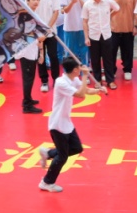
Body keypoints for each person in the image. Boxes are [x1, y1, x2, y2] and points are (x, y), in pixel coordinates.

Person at [37, 57, 101, 193]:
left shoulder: (73, 79)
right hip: (57, 124)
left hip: (67, 122)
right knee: (62, 156)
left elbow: (86, 90)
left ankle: (48, 153)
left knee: (77, 148)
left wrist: (98, 90)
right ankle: (46, 182)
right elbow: (80, 94)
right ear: (75, 70)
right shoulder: (61, 82)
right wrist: (85, 76)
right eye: (79, 68)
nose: (81, 69)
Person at [82, 0, 119, 89]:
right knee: (95, 60)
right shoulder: (87, 5)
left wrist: (109, 16)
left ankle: (110, 80)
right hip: (93, 35)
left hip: (106, 34)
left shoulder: (108, 1)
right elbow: (84, 21)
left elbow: (117, 9)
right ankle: (97, 80)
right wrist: (86, 37)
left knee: (108, 59)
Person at [15, 0, 46, 113]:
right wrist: (40, 36)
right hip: (25, 50)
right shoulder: (24, 13)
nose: (36, 1)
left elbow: (38, 34)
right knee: (28, 78)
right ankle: (27, 105)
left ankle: (27, 99)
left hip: (32, 49)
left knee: (30, 77)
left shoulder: (34, 13)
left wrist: (41, 52)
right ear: (27, 1)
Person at [108, 0, 137, 81]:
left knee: (128, 51)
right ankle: (111, 70)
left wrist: (136, 26)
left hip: (128, 27)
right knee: (111, 51)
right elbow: (108, 9)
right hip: (114, 28)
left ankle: (127, 69)